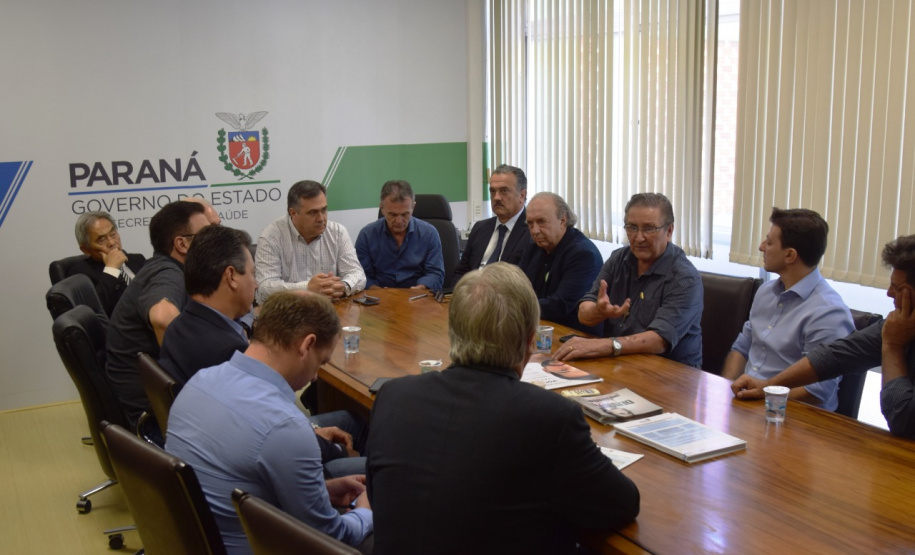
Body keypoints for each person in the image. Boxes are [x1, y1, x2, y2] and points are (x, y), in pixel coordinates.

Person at [365, 263, 639, 554]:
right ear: (530, 342)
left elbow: (378, 494)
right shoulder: (550, 416)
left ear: (453, 331)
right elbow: (621, 505)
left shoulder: (393, 395)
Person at [166, 292, 373, 554]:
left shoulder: (198, 383)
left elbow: (236, 479)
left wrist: (322, 490)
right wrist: (366, 512)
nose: (316, 377)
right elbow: (331, 541)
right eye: (320, 362)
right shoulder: (285, 427)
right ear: (307, 345)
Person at [160, 224, 368, 477]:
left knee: (352, 420)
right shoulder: (229, 352)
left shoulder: (181, 325)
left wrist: (310, 431)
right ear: (231, 276)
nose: (257, 284)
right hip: (270, 466)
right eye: (252, 273)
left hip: (231, 448)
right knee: (382, 466)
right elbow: (276, 432)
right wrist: (338, 452)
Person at [733, 234, 915, 438]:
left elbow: (904, 420)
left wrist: (893, 346)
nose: (889, 293)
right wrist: (768, 386)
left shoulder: (892, 331)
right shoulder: (901, 322)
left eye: (900, 289)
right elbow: (835, 356)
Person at [721, 208, 854, 411]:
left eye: (769, 242)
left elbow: (817, 391)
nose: (761, 246)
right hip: (749, 405)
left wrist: (762, 395)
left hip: (795, 416)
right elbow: (743, 347)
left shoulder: (828, 313)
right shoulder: (766, 292)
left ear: (790, 255)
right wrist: (723, 389)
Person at [554, 192, 703, 367]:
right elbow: (584, 313)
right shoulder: (619, 258)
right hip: (621, 364)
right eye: (632, 227)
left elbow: (658, 340)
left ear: (669, 231)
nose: (639, 237)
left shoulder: (684, 277)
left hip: (671, 377)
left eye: (649, 228)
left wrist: (605, 345)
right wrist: (597, 311)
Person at [106, 200, 210, 430]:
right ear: (182, 244)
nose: (214, 241)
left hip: (145, 399)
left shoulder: (165, 267)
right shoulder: (168, 273)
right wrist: (189, 376)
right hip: (152, 415)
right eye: (206, 234)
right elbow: (162, 317)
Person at [255, 180, 365, 304]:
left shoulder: (338, 232)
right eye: (313, 213)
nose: (321, 218)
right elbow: (264, 288)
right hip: (286, 313)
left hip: (328, 310)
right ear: (293, 213)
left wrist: (342, 286)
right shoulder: (271, 237)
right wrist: (307, 288)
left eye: (324, 210)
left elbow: (357, 274)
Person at [518, 192, 603, 334]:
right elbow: (517, 285)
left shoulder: (583, 254)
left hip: (574, 336)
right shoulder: (534, 246)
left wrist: (514, 306)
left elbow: (559, 306)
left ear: (563, 220)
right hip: (539, 327)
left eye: (541, 222)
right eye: (530, 224)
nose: (535, 231)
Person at [355, 180, 444, 290]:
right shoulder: (367, 235)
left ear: (413, 207)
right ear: (382, 208)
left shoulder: (430, 233)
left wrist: (420, 288)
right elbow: (360, 276)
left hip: (418, 298)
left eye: (405, 214)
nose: (398, 220)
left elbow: (435, 273)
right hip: (379, 299)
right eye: (392, 214)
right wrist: (378, 291)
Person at [452, 164, 533, 281]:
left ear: (522, 195)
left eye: (504, 191)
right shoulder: (480, 228)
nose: (496, 197)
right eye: (493, 191)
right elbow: (460, 272)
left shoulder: (532, 231)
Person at [66, 212, 146, 316]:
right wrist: (112, 269)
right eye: (101, 239)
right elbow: (93, 313)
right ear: (85, 249)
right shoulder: (80, 274)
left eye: (113, 234)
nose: (112, 242)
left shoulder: (137, 260)